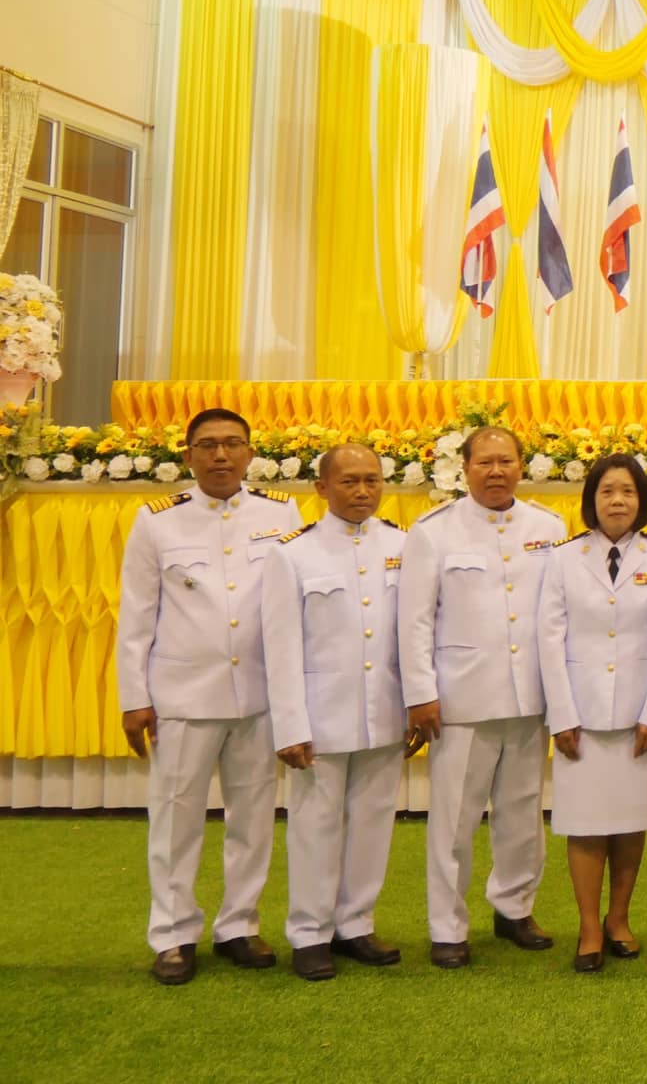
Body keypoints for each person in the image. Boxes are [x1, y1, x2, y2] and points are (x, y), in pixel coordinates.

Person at [117, 407, 303, 985]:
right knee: (175, 819)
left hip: (259, 695)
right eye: (207, 446)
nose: (220, 456)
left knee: (253, 816)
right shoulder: (157, 522)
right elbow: (136, 617)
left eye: (232, 445)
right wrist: (134, 696)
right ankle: (173, 934)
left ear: (251, 454)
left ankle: (239, 926)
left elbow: (292, 611)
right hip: (184, 695)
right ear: (188, 455)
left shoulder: (282, 514)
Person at [398, 424, 562, 969]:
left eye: (507, 461)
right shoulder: (433, 531)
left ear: (522, 466)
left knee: (522, 813)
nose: (496, 472)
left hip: (530, 696)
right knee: (454, 820)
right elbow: (415, 620)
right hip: (461, 699)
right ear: (464, 468)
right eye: (485, 462)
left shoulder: (548, 526)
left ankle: (514, 907)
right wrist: (420, 693)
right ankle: (447, 926)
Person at [261, 442, 412, 981]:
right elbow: (280, 649)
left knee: (373, 822)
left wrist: (414, 704)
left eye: (372, 480)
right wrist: (290, 725)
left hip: (384, 712)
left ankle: (356, 924)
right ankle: (308, 933)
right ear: (321, 488)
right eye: (349, 481)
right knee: (315, 825)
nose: (363, 491)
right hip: (320, 718)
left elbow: (412, 635)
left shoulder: (402, 544)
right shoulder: (292, 553)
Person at [538, 455, 647, 973]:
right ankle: (589, 927)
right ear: (591, 500)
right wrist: (562, 716)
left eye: (627, 492)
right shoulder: (562, 559)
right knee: (586, 824)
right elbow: (549, 640)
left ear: (642, 501)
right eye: (607, 492)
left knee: (630, 822)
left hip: (642, 713)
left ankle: (618, 918)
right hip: (582, 713)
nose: (617, 501)